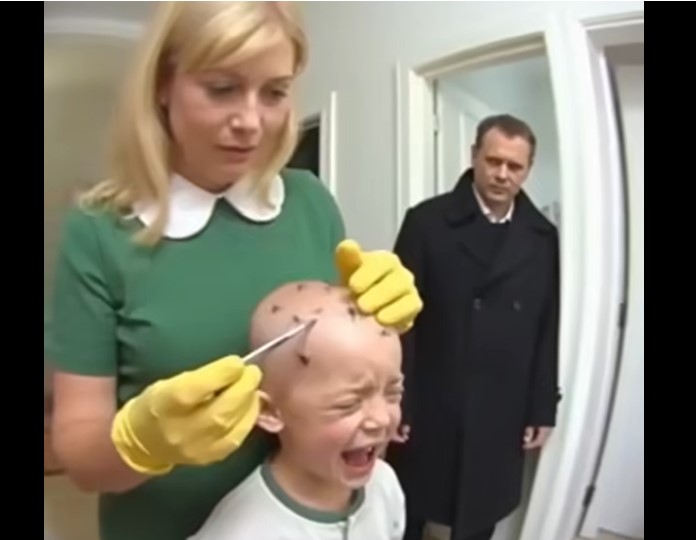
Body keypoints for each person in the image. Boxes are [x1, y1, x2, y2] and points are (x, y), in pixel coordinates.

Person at [46, 3, 422, 540]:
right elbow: (80, 455)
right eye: (222, 88)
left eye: (274, 92)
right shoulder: (99, 232)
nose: (250, 121)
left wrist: (380, 322)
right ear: (163, 85)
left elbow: (332, 365)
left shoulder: (311, 203)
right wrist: (142, 444)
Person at [387, 114, 561, 540]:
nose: (502, 174)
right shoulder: (426, 222)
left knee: (481, 512)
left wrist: (542, 406)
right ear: (474, 157)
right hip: (433, 397)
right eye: (493, 161)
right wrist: (396, 399)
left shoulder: (542, 237)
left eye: (514, 166)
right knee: (407, 508)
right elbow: (397, 320)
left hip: (503, 405)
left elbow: (547, 324)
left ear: (528, 169)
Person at [188, 280, 406, 540]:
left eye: (393, 393)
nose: (382, 418)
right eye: (348, 404)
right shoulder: (241, 533)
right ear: (268, 411)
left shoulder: (384, 485)